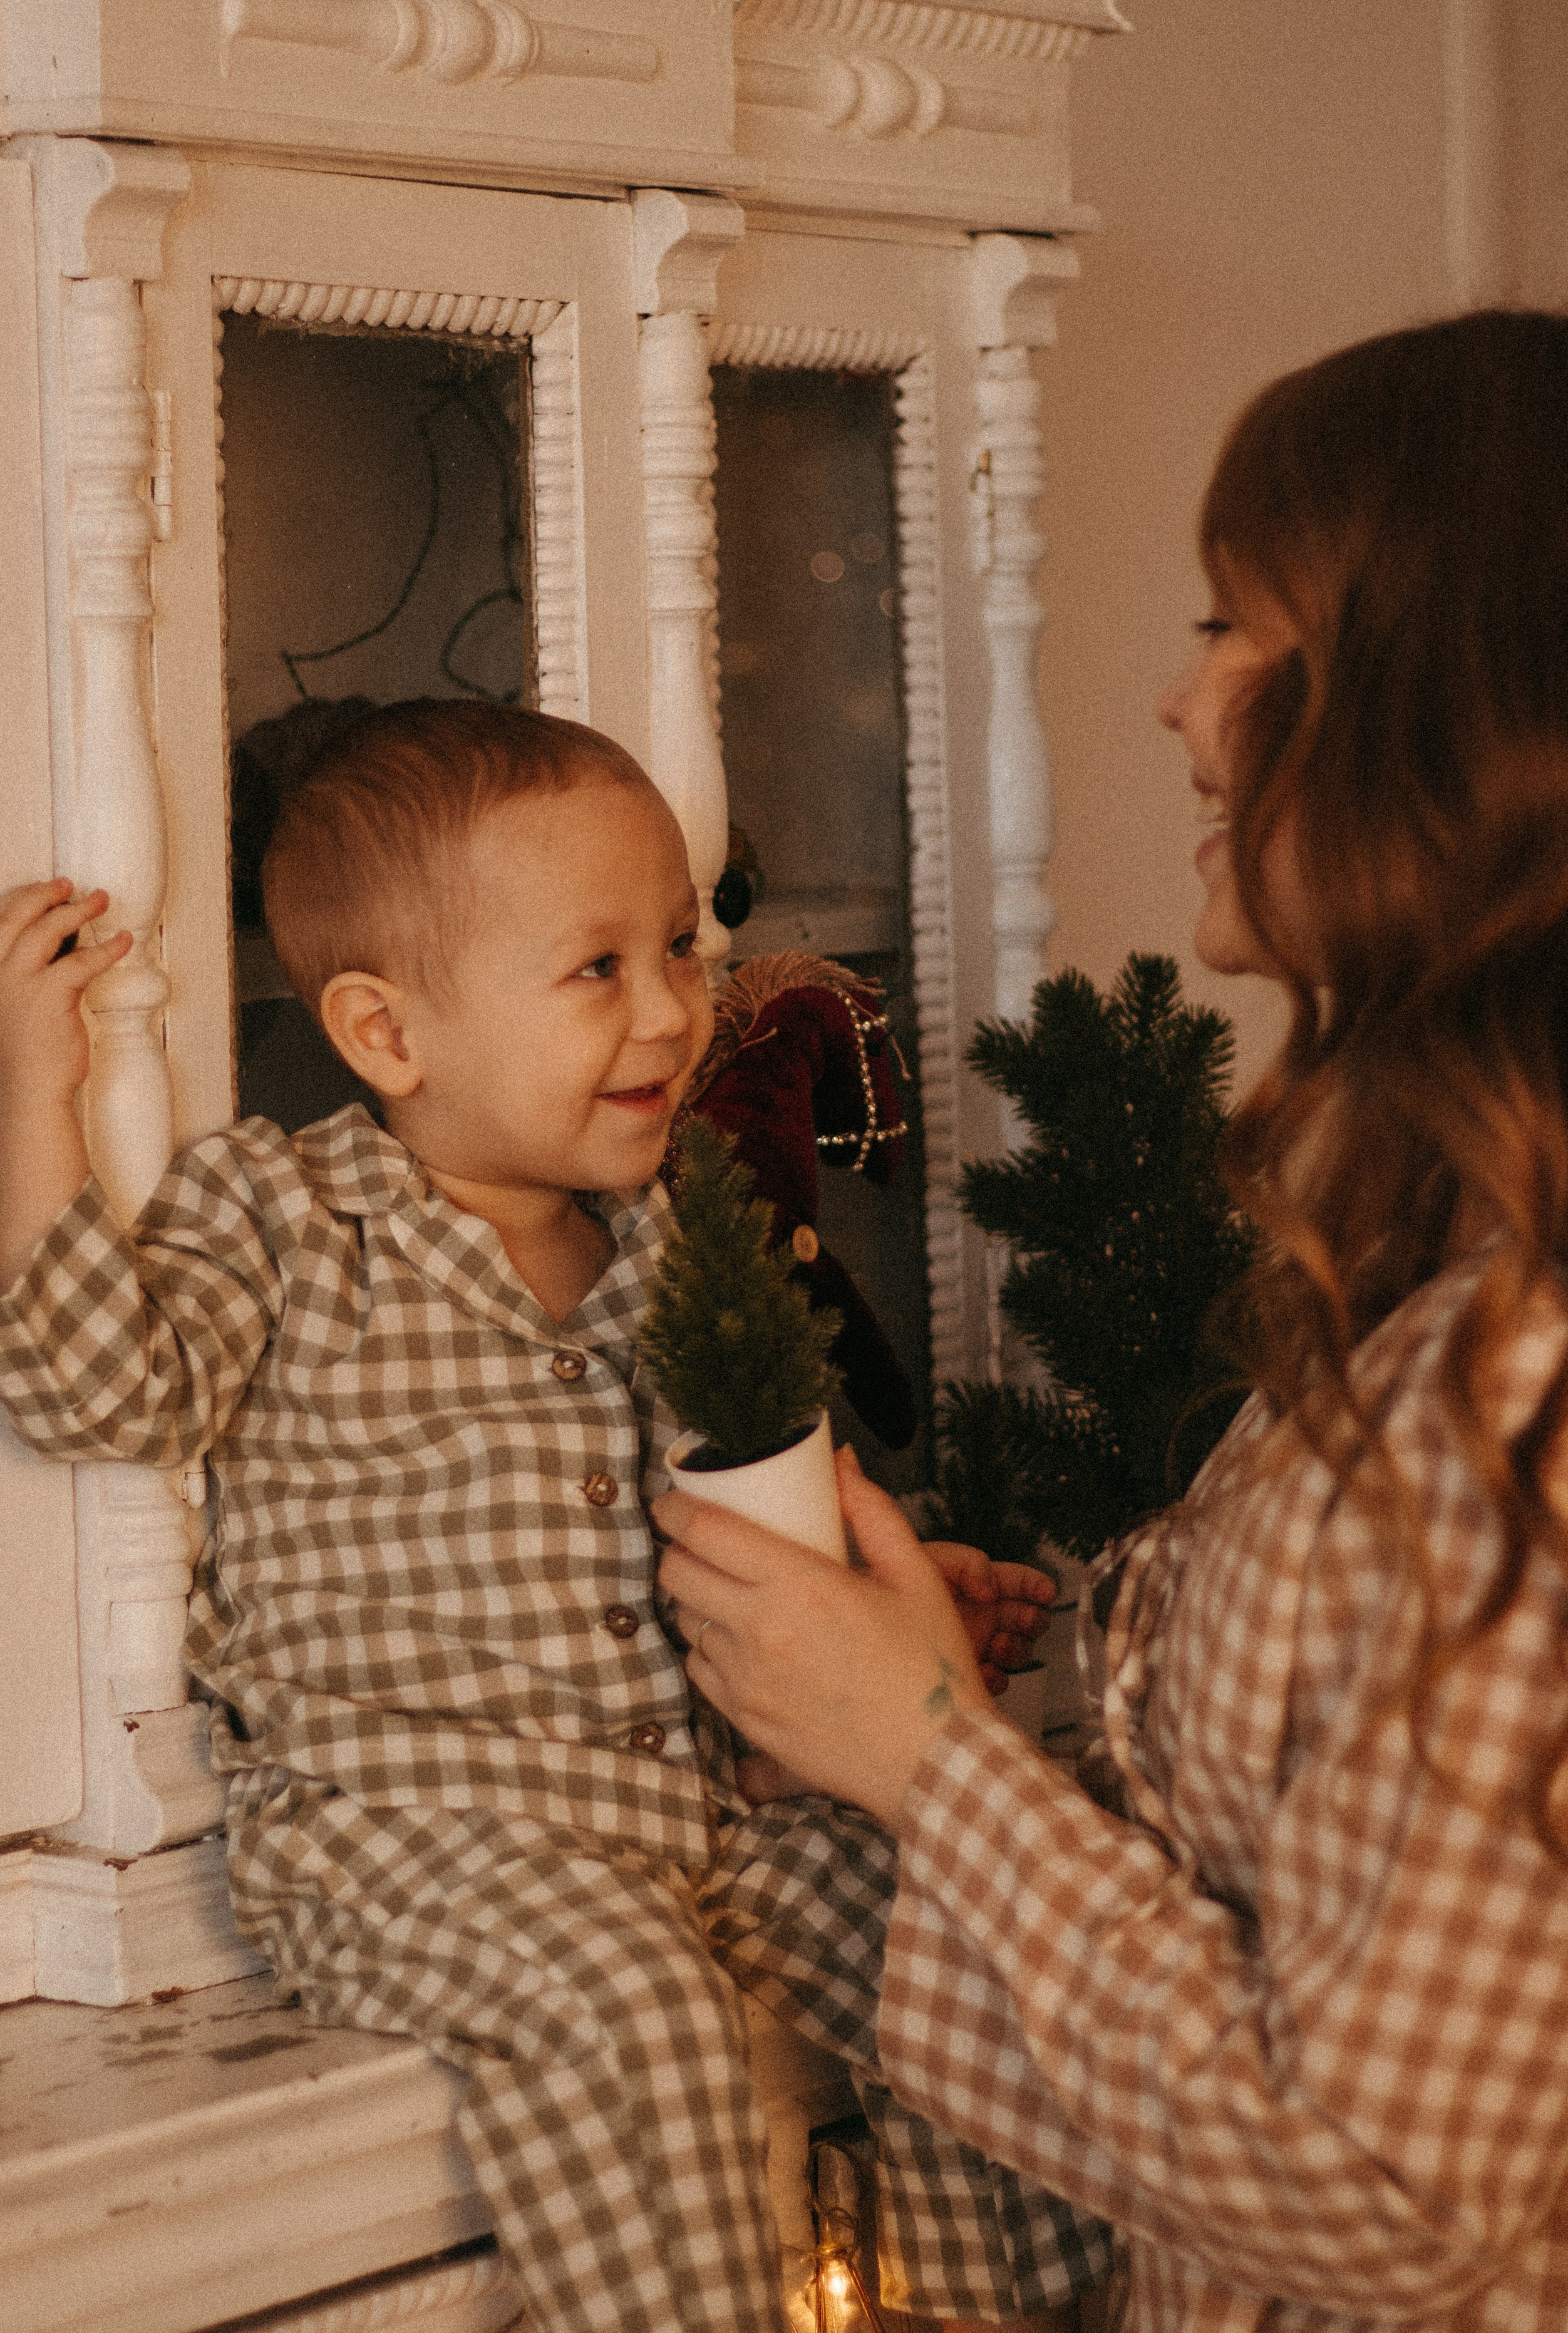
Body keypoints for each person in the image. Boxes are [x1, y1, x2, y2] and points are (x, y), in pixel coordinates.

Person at [0, 696, 1108, 2333]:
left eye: (683, 952)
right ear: (386, 1035)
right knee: (635, 2015)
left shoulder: (664, 1254)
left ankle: (1006, 2311)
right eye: (599, 970)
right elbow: (93, 1389)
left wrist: (881, 1600)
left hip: (692, 1816)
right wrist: (39, 1086)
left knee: (961, 1934)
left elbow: (715, 1549)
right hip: (426, 1835)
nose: (670, 1013)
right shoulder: (287, 1219)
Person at [656, 311, 1568, 2330]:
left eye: (1237, 627)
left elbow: (1391, 2199)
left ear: (1447, 718)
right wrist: (934, 1706)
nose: (1174, 700)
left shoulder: (1534, 1380)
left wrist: (920, 1761)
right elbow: (1327, 1903)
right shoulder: (1435, 1277)